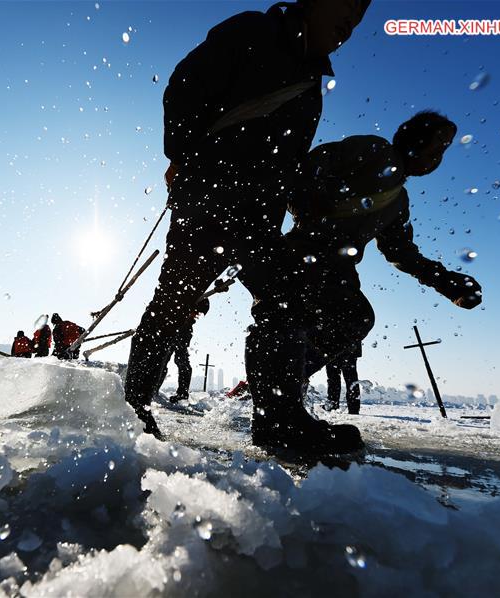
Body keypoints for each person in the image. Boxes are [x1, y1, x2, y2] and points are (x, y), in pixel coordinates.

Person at [124, 0, 371, 455]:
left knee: (301, 302)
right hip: (208, 199)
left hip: (260, 217)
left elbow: (288, 161)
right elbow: (183, 88)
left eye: (359, 19)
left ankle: (279, 418)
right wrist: (182, 157)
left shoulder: (312, 84)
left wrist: (304, 204)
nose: (350, 24)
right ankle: (131, 407)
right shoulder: (253, 32)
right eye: (346, 7)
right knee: (176, 301)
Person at [286, 111, 483, 413]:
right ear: (415, 142)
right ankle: (281, 390)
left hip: (337, 267)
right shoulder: (374, 150)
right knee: (338, 318)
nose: (438, 158)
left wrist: (444, 281)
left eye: (443, 151)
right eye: (437, 148)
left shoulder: (398, 202)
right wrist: (307, 205)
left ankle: (284, 390)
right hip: (305, 252)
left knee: (345, 319)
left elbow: (401, 253)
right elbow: (311, 165)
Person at [163, 298, 210, 404]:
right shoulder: (176, 315)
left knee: (183, 364)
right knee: (162, 360)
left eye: (199, 314)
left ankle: (182, 393)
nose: (197, 316)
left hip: (182, 333)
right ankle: (152, 390)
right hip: (169, 331)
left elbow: (182, 353)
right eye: (196, 312)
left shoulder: (189, 326)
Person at [324, 344, 361, 414]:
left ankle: (333, 405)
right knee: (351, 379)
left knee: (334, 378)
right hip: (347, 347)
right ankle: (353, 407)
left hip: (334, 346)